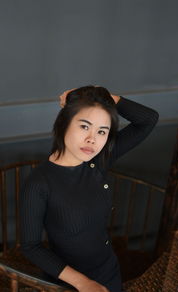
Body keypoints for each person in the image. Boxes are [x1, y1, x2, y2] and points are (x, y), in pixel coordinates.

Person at [20, 85, 159, 292]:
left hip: (108, 271)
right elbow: (31, 246)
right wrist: (83, 283)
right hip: (66, 282)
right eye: (84, 126)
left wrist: (100, 95)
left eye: (102, 131)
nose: (92, 139)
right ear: (64, 123)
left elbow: (148, 119)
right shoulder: (39, 183)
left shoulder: (99, 161)